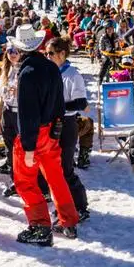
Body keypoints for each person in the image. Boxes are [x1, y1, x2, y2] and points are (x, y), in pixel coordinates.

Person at [11, 25, 79, 246]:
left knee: (25, 182)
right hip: (51, 131)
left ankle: (40, 226)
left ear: (19, 49)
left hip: (34, 134)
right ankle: (68, 221)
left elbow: (28, 113)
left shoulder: (27, 73)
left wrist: (29, 146)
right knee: (56, 177)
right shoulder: (51, 67)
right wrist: (56, 128)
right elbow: (60, 104)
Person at [41, 38, 90, 221]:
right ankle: (62, 205)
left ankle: (80, 206)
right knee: (53, 168)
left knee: (65, 167)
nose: (47, 57)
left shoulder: (72, 74)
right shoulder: (49, 72)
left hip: (67, 123)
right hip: (51, 123)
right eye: (45, 53)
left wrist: (56, 107)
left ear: (62, 53)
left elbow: (81, 103)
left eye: (51, 53)